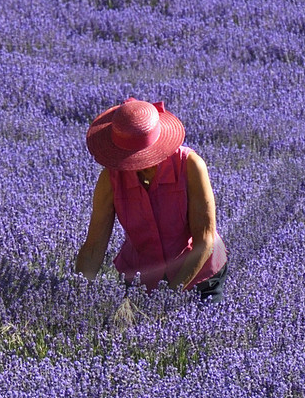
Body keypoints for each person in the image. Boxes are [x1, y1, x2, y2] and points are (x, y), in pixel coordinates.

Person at [74, 98, 227, 300]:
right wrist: (77, 295)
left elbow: (204, 240)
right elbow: (94, 246)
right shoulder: (110, 178)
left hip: (197, 274)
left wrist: (168, 296)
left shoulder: (190, 166)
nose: (139, 164)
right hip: (141, 277)